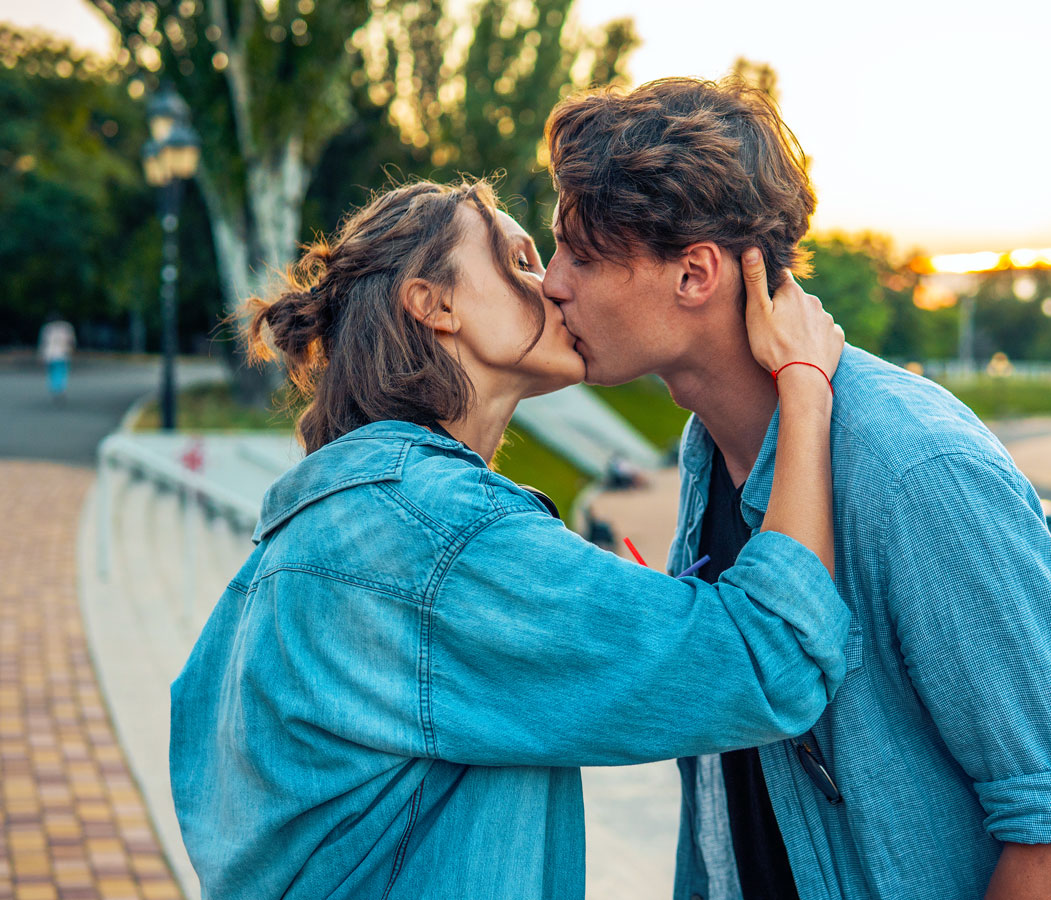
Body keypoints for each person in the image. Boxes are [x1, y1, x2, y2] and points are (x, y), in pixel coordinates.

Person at [169, 178, 850, 899]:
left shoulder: (324, 527)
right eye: (521, 260)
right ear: (435, 303)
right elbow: (775, 655)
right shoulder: (439, 534)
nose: (556, 285)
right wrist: (804, 384)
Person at [542, 77, 1051, 900]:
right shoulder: (708, 446)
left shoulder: (916, 472)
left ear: (694, 274)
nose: (552, 282)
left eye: (583, 253)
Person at [38, 311, 76, 402]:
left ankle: (55, 388)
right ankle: (61, 388)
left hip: (50, 354)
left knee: (53, 373)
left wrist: (41, 355)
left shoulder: (47, 328)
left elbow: (44, 343)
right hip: (63, 353)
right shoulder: (67, 327)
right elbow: (71, 341)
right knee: (62, 372)